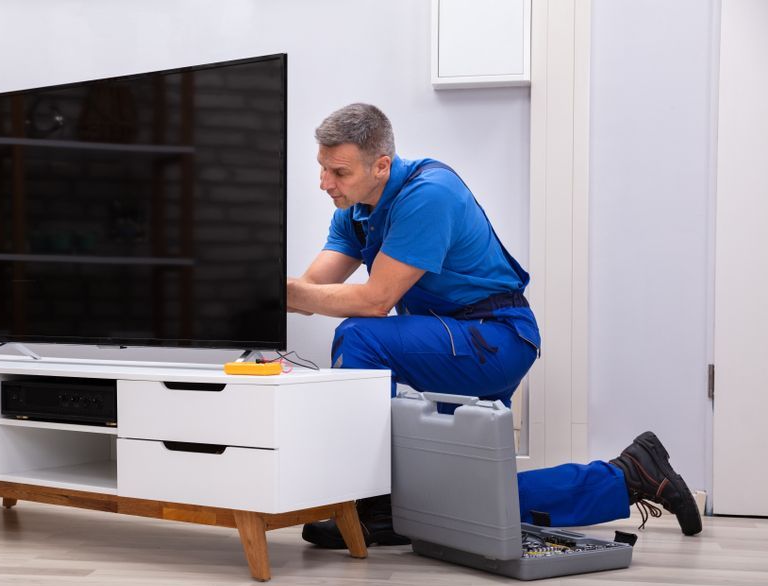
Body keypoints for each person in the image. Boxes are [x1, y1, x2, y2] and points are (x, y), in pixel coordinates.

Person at [288, 103, 702, 548]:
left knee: (359, 334)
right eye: (322, 169)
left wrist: (282, 293)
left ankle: (371, 506)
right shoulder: (355, 211)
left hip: (495, 336)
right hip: (450, 340)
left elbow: (374, 301)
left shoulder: (428, 193)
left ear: (381, 165)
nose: (325, 183)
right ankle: (631, 475)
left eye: (339, 172)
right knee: (455, 500)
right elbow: (311, 291)